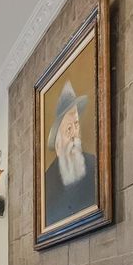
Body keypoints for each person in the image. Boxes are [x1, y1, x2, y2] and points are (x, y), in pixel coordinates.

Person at [43, 80, 97, 226]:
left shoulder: (95, 165)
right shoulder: (46, 183)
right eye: (68, 129)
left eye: (76, 125)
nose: (74, 134)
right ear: (58, 142)